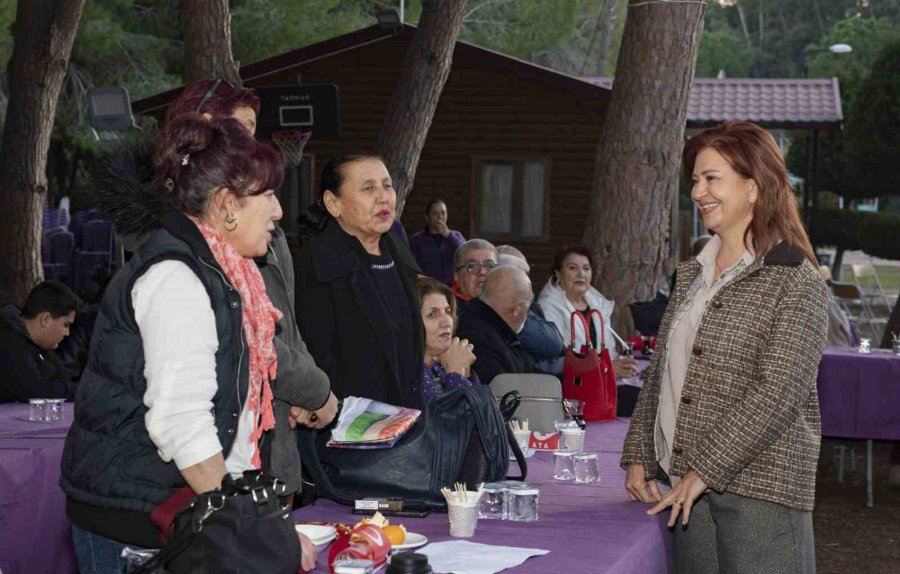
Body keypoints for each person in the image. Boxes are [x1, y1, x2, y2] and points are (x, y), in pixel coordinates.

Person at [60, 115, 315, 573]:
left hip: (170, 507)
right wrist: (259, 530)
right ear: (226, 205)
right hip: (136, 521)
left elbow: (229, 422)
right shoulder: (177, 276)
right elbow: (183, 424)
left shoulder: (221, 272)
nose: (278, 211)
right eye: (269, 195)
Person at [621, 121, 827, 574]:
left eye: (712, 178)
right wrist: (639, 453)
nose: (698, 192)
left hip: (762, 494)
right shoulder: (692, 274)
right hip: (687, 490)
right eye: (695, 179)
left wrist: (703, 470)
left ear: (754, 187)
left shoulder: (795, 280)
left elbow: (778, 394)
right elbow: (661, 371)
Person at [294, 154, 424, 408]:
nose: (383, 196)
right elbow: (316, 357)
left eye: (387, 185)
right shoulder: (316, 264)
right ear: (333, 203)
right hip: (350, 427)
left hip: (407, 422)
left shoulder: (399, 254)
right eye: (368, 188)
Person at [537, 245, 639, 380]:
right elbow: (559, 359)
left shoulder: (598, 304)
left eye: (586, 268)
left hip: (602, 382)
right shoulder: (548, 307)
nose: (581, 274)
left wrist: (618, 367)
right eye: (573, 268)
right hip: (570, 385)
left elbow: (609, 350)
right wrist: (605, 369)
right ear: (558, 273)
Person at [0, 280, 80, 402]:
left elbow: (63, 380)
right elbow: (36, 391)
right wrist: (85, 392)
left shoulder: (40, 344)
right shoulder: (8, 339)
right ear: (45, 319)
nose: (67, 333)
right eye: (66, 325)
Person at [456, 266, 535, 385]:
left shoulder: (495, 330)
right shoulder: (483, 340)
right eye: (527, 309)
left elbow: (532, 373)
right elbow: (504, 394)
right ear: (517, 310)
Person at [496, 245, 566, 373]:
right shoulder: (489, 309)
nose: (527, 280)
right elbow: (552, 345)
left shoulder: (532, 307)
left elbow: (556, 345)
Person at [416, 276, 480, 400]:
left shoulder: (439, 366)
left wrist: (465, 372)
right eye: (433, 314)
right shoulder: (411, 375)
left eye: (447, 311)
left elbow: (483, 414)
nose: (446, 322)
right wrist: (455, 373)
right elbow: (453, 418)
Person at [409, 199, 466, 285]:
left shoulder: (456, 236)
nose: (440, 217)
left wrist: (449, 236)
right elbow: (411, 267)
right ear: (427, 217)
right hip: (428, 289)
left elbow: (465, 255)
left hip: (453, 290)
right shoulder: (417, 240)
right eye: (435, 214)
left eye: (443, 213)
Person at [451, 238, 499, 315]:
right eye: (472, 266)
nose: (482, 272)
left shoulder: (508, 306)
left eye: (490, 266)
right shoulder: (447, 309)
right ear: (456, 276)